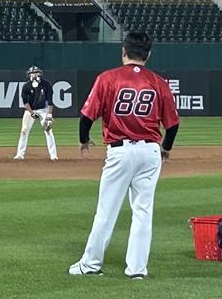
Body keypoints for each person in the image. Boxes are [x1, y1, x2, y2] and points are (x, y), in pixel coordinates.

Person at [69, 32, 180, 279]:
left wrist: (84, 140)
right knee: (143, 211)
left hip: (120, 151)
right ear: (148, 54)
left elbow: (86, 117)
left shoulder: (108, 78)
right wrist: (166, 149)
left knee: (106, 210)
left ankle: (91, 264)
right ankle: (137, 270)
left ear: (123, 51)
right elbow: (172, 125)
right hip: (150, 151)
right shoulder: (159, 82)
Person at [14, 66, 56, 161]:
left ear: (39, 74)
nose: (34, 75)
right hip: (31, 110)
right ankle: (20, 154)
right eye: (32, 73)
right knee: (24, 131)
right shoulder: (26, 86)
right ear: (29, 75)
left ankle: (53, 155)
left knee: (48, 130)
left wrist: (49, 115)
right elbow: (25, 102)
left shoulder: (46, 84)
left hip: (44, 110)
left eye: (36, 72)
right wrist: (32, 112)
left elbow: (50, 101)